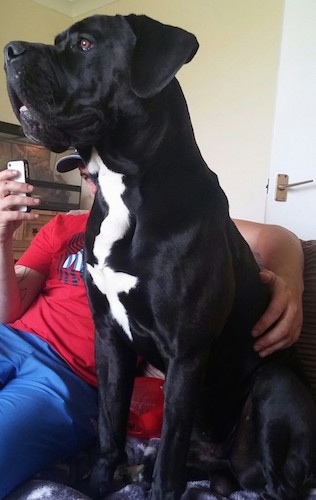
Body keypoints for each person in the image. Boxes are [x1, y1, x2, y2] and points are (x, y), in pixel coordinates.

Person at [0, 152, 304, 497]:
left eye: (107, 170)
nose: (99, 183)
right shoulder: (63, 227)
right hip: (9, 339)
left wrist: (290, 283)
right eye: (89, 176)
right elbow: (7, 312)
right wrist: (1, 239)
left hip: (64, 376)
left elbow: (277, 236)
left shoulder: (180, 230)